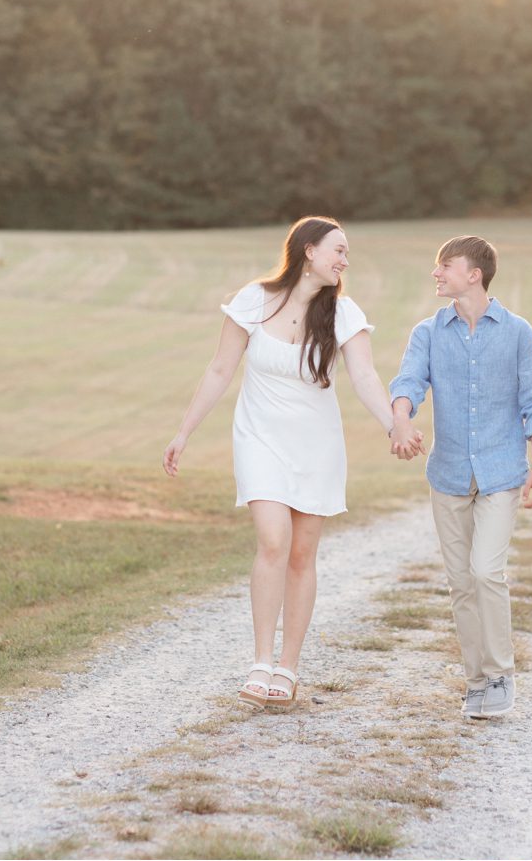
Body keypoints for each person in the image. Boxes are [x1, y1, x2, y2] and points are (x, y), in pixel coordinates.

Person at [163, 215, 421, 709]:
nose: (345, 261)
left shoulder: (343, 314)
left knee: (302, 555)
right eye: (338, 250)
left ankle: (288, 667)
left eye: (346, 254)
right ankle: (260, 662)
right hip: (260, 438)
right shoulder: (253, 300)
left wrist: (395, 425)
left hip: (317, 445)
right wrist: (184, 431)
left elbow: (365, 377)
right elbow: (220, 368)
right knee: (273, 540)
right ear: (308, 251)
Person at [387, 234, 532, 722]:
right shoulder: (428, 332)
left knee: (486, 572)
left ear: (474, 274)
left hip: (503, 472)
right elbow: (409, 382)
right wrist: (401, 420)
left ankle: (502, 674)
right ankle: (477, 681)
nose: (437, 273)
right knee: (461, 583)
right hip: (449, 474)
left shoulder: (519, 332)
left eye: (446, 265)